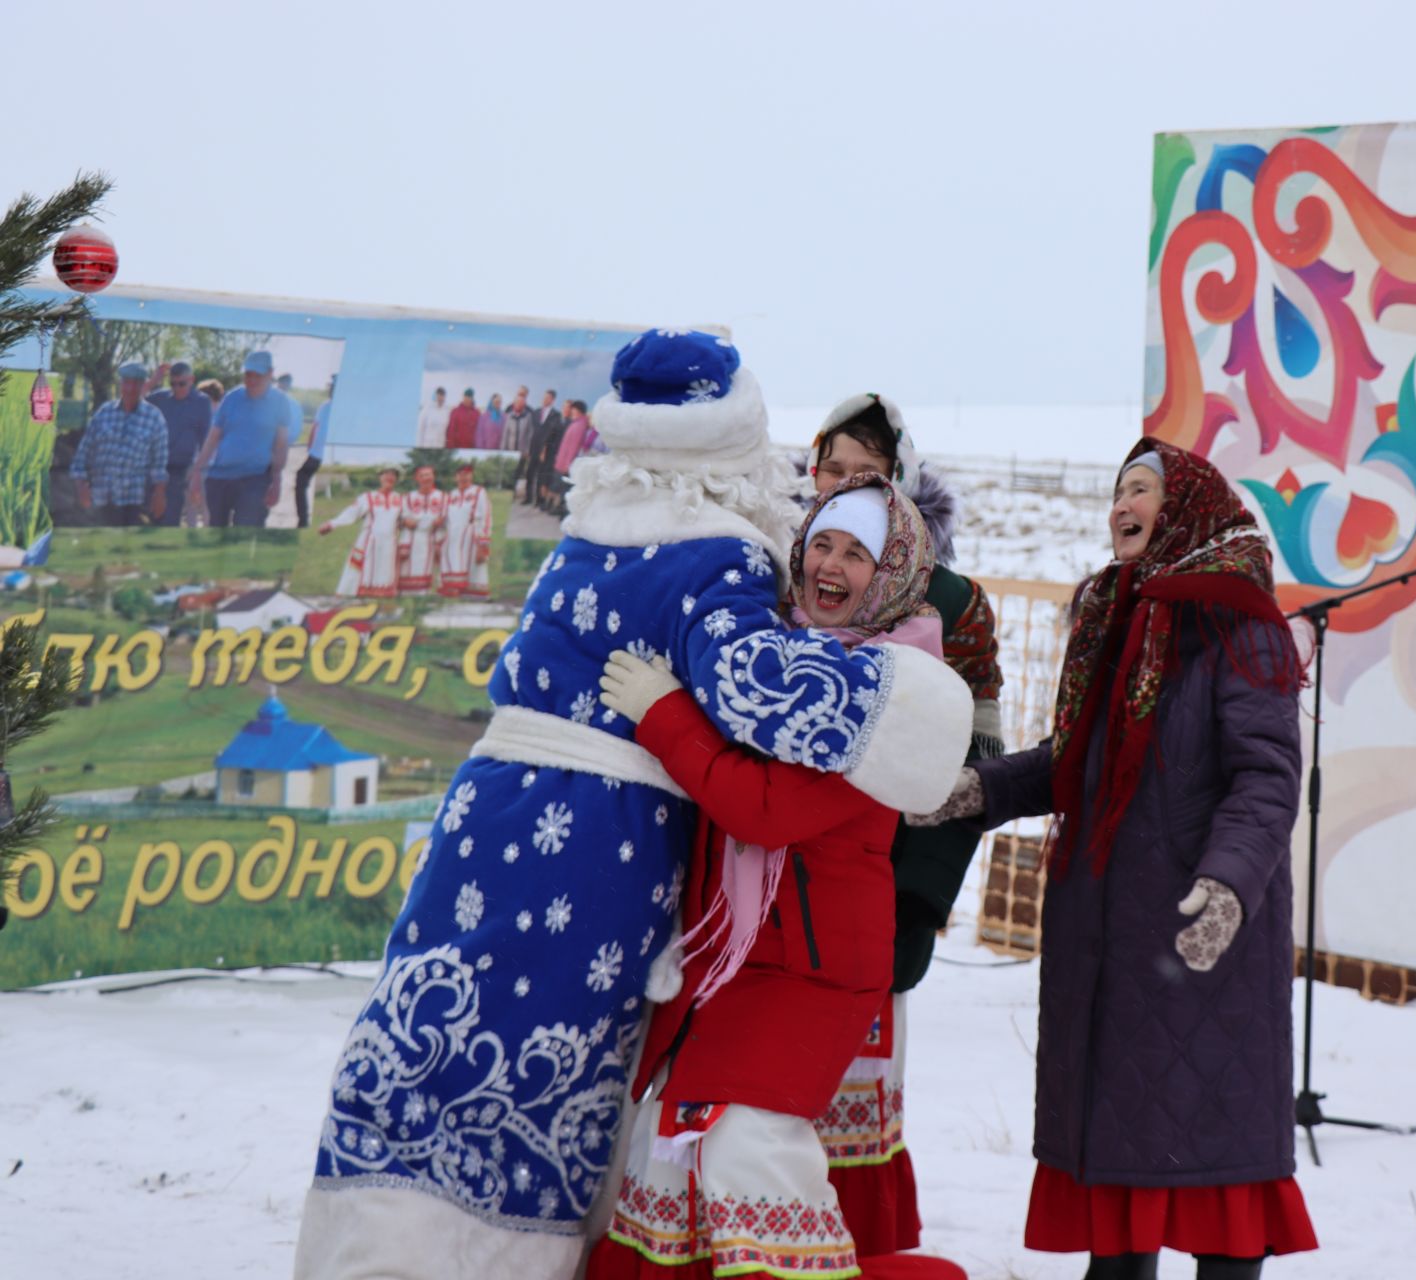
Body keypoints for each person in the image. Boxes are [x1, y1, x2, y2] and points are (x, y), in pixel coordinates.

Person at [292, 329, 972, 1280]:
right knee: (560, 1060)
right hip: (600, 846)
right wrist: (907, 710)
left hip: (487, 822)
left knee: (433, 1033)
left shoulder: (581, 537)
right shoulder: (725, 560)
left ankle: (382, 1247)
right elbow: (757, 687)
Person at [919, 440, 1316, 1278]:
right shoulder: (1117, 617)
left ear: (1187, 508)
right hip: (1111, 947)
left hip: (1195, 944)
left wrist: (1228, 886)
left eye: (1140, 490)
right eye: (1115, 492)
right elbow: (1076, 761)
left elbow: (1267, 777)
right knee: (1120, 1220)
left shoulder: (1238, 623)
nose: (1120, 507)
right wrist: (979, 789)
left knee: (1221, 1207)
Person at [589, 473, 949, 1279]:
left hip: (814, 972)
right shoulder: (768, 665)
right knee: (669, 1156)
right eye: (821, 541)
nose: (832, 563)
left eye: (858, 552)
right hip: (734, 962)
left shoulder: (885, 692)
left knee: (746, 1148)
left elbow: (763, 809)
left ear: (889, 575)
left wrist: (665, 713)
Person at [801, 394, 1004, 1264]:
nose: (845, 485)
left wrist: (915, 907)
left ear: (903, 484)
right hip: (764, 883)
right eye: (831, 469)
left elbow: (970, 772)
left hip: (874, 896)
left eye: (868, 474)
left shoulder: (951, 604)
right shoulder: (779, 574)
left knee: (840, 1098)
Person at [187, 350, 296, 528]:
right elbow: (213, 438)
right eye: (248, 374)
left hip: (255, 478)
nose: (251, 380)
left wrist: (276, 479)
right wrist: (197, 472)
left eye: (257, 375)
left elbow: (281, 444)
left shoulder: (280, 402)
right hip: (220, 477)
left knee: (246, 532)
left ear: (270, 373)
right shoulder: (232, 398)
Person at [72, 361, 168, 527]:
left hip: (134, 501)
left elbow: (159, 462)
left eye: (136, 384)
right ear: (120, 383)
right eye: (126, 383)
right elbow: (83, 453)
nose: (130, 389)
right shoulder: (104, 412)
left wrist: (159, 493)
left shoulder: (154, 417)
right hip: (101, 498)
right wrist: (81, 486)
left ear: (143, 385)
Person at [318, 467, 404, 598]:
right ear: (380, 477)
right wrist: (332, 524)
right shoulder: (368, 497)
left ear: (396, 479)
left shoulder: (400, 499)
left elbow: (404, 520)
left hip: (388, 545)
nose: (389, 477)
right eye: (386, 474)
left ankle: (378, 599)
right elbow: (351, 513)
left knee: (384, 573)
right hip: (366, 543)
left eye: (393, 475)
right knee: (355, 571)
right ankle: (345, 598)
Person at [145, 360, 213, 525]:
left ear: (192, 380)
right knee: (151, 515)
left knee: (170, 515)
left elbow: (205, 439)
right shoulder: (162, 398)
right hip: (155, 466)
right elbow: (133, 398)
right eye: (173, 384)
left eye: (181, 384)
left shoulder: (202, 402)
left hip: (180, 468)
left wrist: (197, 471)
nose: (177, 388)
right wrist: (154, 380)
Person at [437, 463, 492, 598]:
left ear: (471, 476)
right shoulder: (450, 495)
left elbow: (485, 517)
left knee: (474, 567)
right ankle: (454, 590)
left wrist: (483, 544)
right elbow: (444, 518)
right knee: (453, 565)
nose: (464, 477)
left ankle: (472, 594)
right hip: (452, 537)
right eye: (461, 474)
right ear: (456, 477)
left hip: (472, 535)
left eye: (467, 474)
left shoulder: (479, 491)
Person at [395, 464, 447, 595]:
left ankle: (424, 595)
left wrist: (438, 522)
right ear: (416, 478)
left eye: (429, 474)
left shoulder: (443, 497)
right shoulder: (407, 497)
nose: (426, 478)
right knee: (406, 570)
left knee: (426, 571)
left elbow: (444, 518)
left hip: (432, 540)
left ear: (433, 476)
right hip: (411, 540)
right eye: (422, 475)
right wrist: (405, 521)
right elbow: (402, 518)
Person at [294, 377, 334, 529]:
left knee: (301, 482)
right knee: (305, 481)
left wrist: (310, 449)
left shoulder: (325, 406)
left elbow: (314, 428)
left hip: (317, 455)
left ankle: (303, 521)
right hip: (323, 454)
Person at [520, 388, 564, 504]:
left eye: (547, 398)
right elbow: (530, 431)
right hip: (533, 449)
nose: (544, 400)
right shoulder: (536, 412)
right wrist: (527, 449)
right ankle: (528, 498)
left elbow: (554, 434)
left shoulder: (556, 415)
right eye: (544, 397)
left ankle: (539, 500)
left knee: (541, 475)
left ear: (552, 400)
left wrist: (545, 448)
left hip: (546, 452)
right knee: (530, 474)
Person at [552, 398, 593, 482]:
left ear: (578, 410)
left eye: (573, 409)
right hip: (564, 462)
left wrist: (568, 464)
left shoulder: (579, 425)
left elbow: (574, 447)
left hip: (566, 465)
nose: (571, 411)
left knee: (561, 490)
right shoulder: (576, 423)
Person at [501, 386, 535, 456]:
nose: (521, 395)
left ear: (526, 395)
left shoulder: (530, 412)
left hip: (522, 451)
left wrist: (528, 450)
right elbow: (505, 432)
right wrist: (503, 449)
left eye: (523, 394)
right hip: (510, 449)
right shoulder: (508, 409)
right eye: (519, 393)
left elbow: (530, 434)